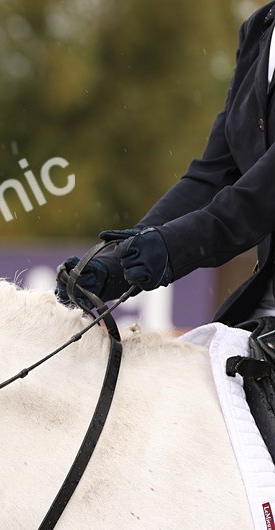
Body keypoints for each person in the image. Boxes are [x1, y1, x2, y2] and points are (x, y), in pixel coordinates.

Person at [58, 2, 275, 324]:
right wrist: (121, 257)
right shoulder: (260, 28)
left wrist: (173, 246)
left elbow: (262, 194)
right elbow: (214, 174)